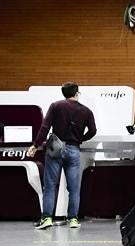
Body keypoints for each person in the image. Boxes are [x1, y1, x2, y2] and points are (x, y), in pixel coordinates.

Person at [27, 82, 96, 229]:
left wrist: (35, 145)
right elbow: (93, 131)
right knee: (73, 188)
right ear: (77, 93)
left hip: (55, 149)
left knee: (50, 185)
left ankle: (46, 219)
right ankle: (73, 219)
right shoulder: (86, 111)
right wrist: (80, 139)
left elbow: (44, 127)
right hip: (74, 150)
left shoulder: (55, 106)